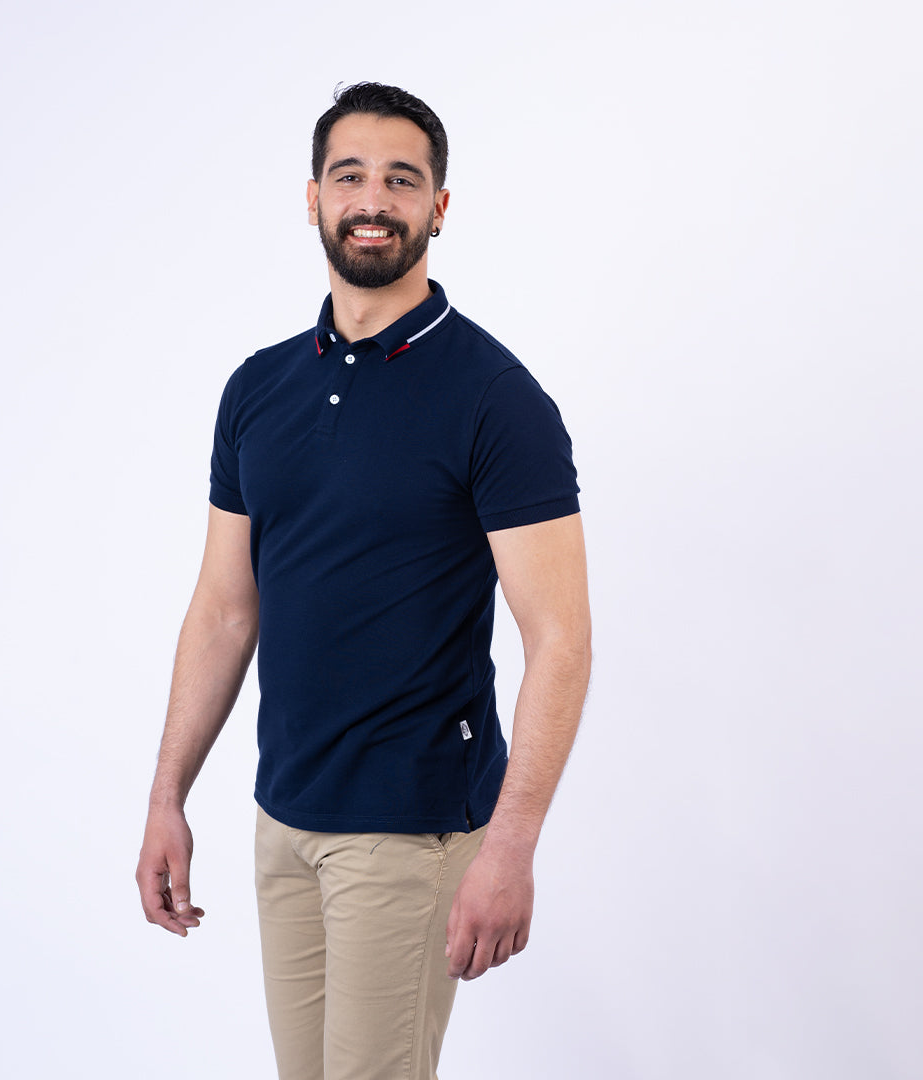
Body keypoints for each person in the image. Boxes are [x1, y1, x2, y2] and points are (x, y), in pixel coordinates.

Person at [136, 82, 592, 1080]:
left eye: (401, 179)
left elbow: (559, 640)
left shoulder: (495, 399)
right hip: (283, 817)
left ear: (439, 206)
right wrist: (168, 795)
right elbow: (224, 611)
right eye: (350, 177)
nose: (372, 200)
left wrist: (511, 847)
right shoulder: (259, 389)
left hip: (409, 827)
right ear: (313, 198)